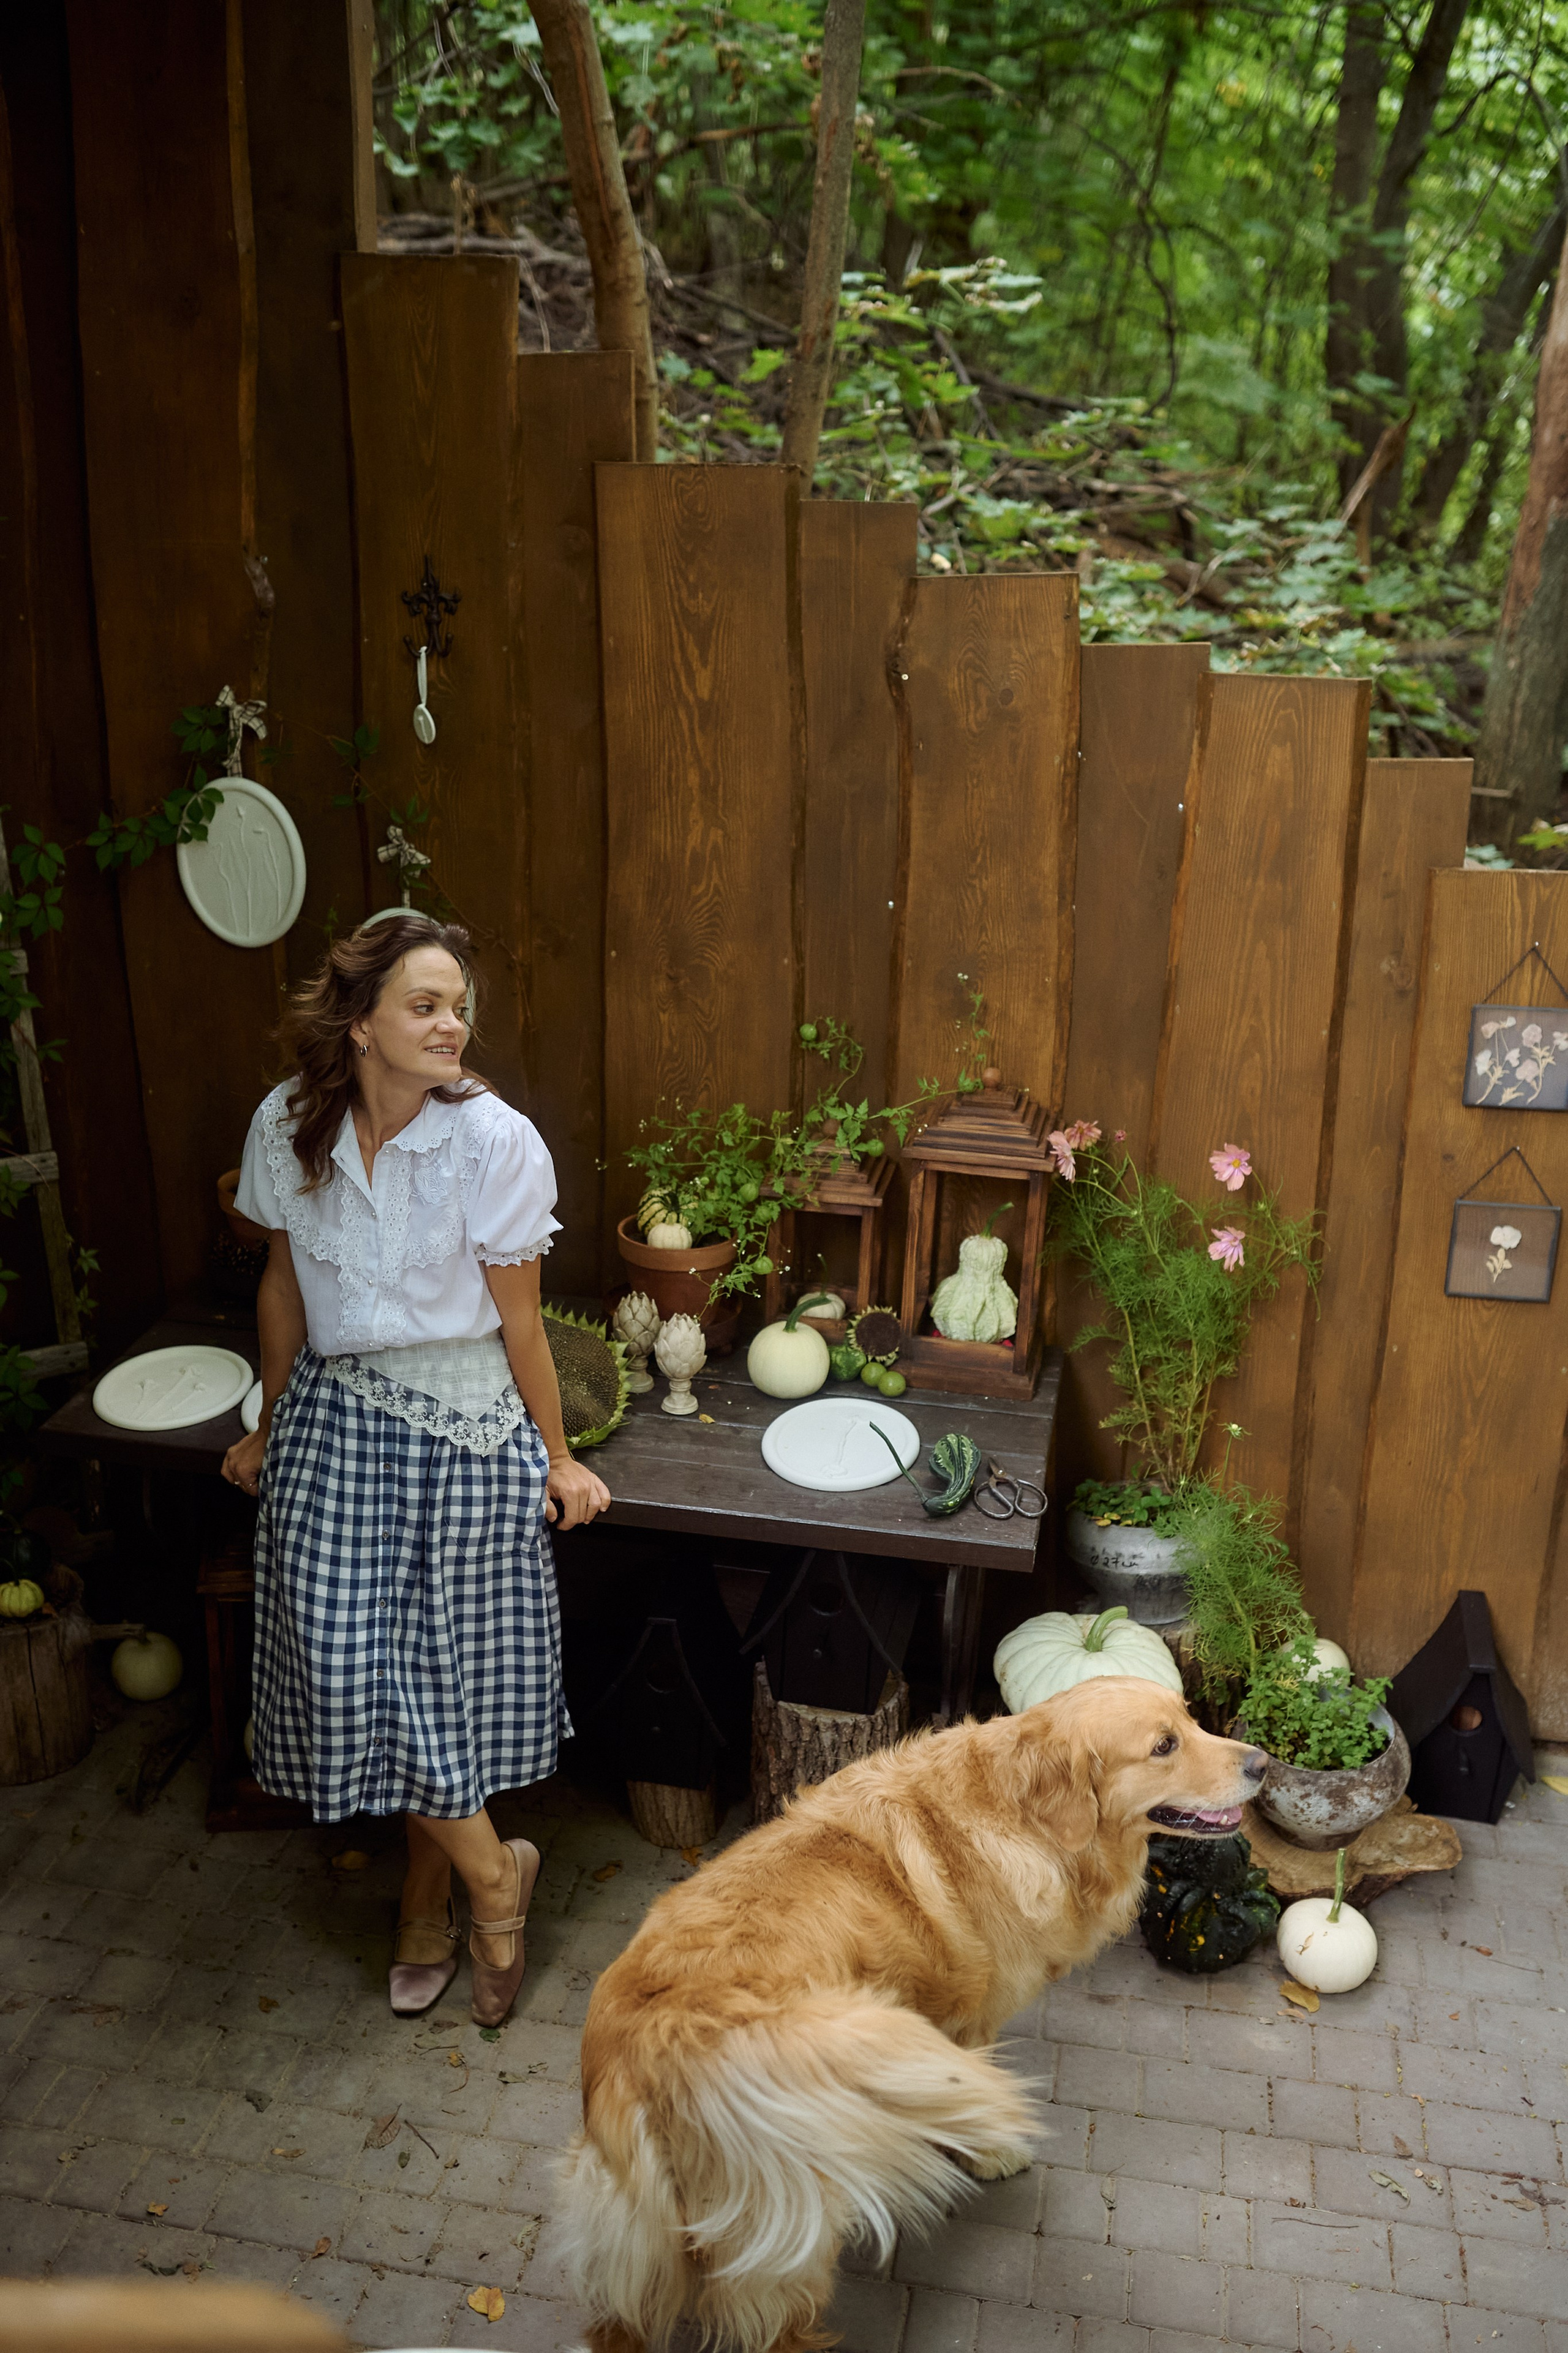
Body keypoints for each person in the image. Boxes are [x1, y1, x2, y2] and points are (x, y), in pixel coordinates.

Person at [221, 914, 609, 2025]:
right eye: (425, 1005)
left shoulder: (496, 1144)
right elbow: (285, 1289)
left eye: (458, 1005)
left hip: (467, 1422)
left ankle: (425, 1904)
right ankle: (497, 1875)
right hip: (336, 1418)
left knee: (436, 1684)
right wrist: (267, 1417)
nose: (454, 1024)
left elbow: (521, 1325)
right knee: (353, 1671)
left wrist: (559, 1454)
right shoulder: (287, 1123)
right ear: (360, 1022)